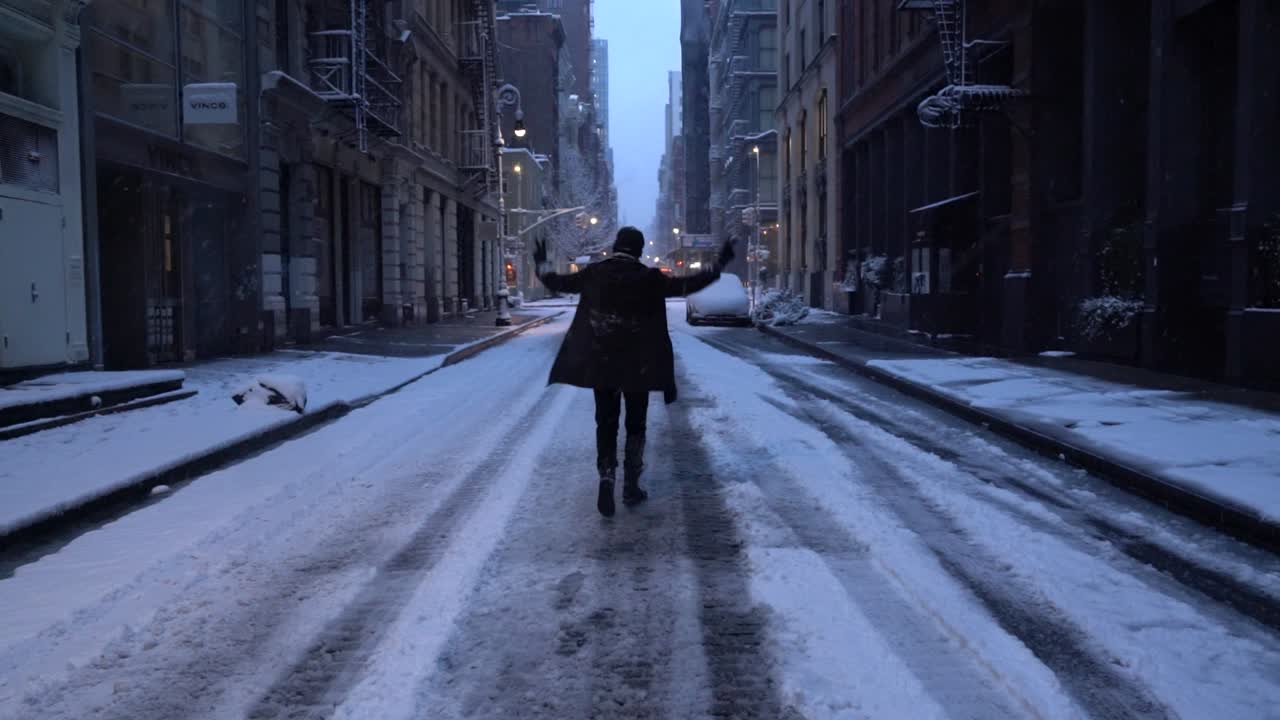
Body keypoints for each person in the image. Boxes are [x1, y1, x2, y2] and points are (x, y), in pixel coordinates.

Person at [534, 227, 736, 517]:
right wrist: (719, 264)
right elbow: (687, 285)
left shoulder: (594, 274)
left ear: (616, 246)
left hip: (602, 363)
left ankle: (606, 473)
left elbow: (556, 281)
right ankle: (631, 484)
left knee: (605, 421)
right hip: (638, 365)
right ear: (639, 251)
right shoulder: (650, 279)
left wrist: (541, 262)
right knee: (636, 424)